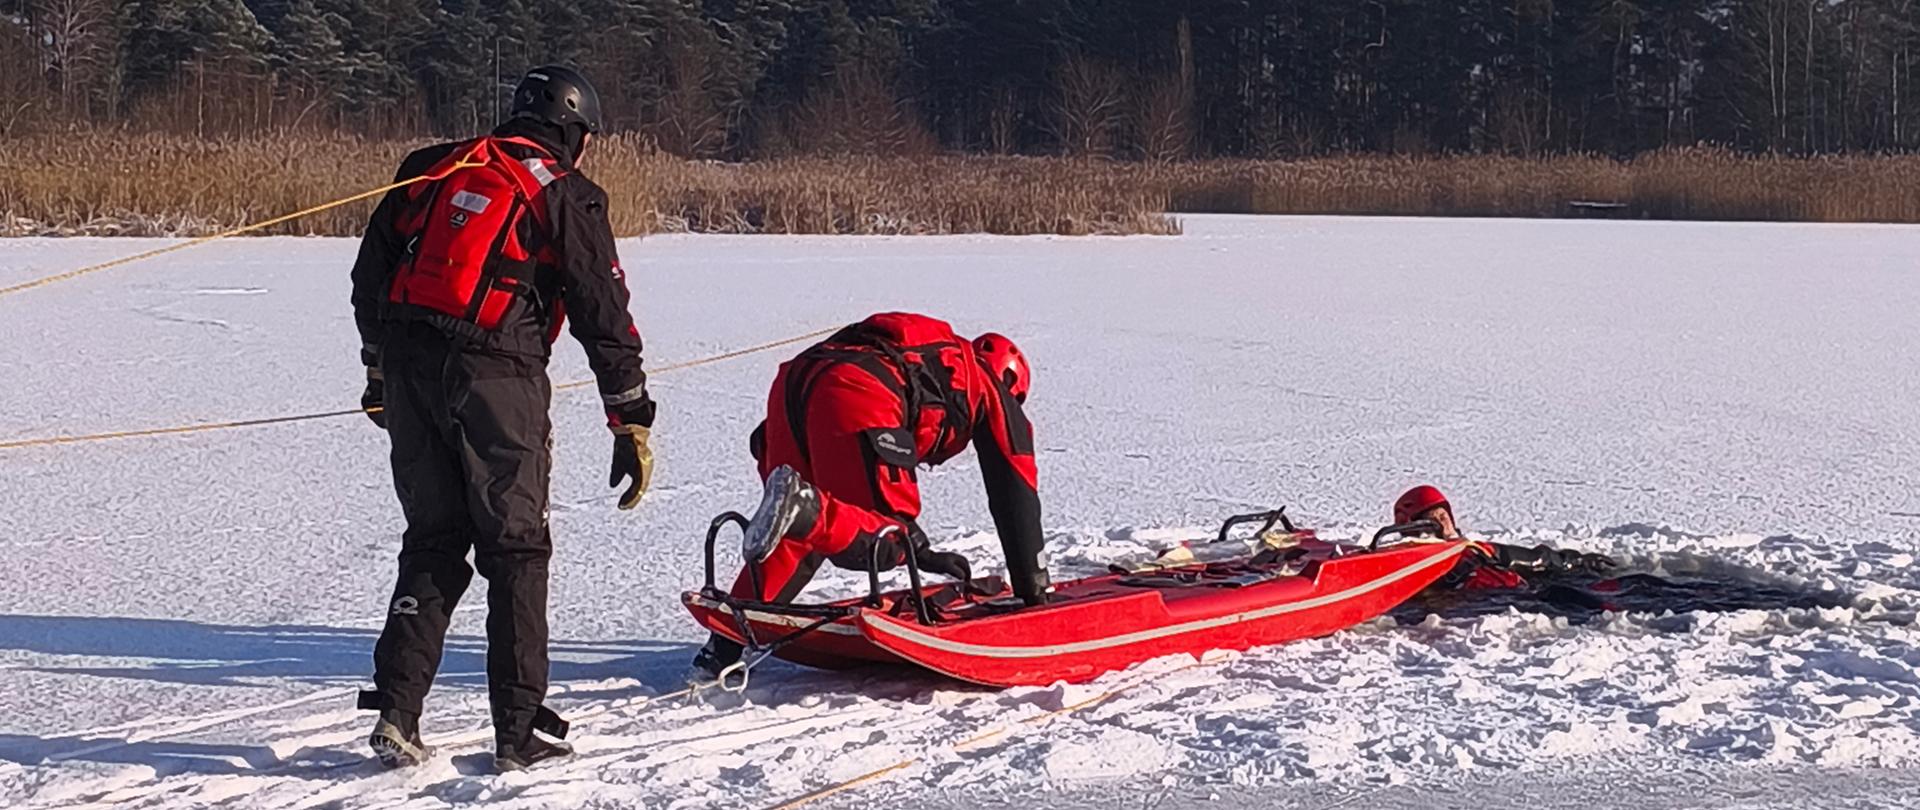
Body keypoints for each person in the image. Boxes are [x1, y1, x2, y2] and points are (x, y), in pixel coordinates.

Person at [348, 65, 656, 772]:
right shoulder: (567, 193)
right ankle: (518, 731)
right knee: (517, 550)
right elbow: (602, 313)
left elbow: (372, 278)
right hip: (499, 376)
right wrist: (630, 416)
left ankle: (398, 712)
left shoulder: (431, 167)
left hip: (409, 364)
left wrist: (378, 371)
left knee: (433, 538)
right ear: (573, 131)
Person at [692, 313, 1048, 675]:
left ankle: (724, 645)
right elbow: (1014, 488)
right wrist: (1034, 590)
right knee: (885, 539)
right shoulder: (988, 385)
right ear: (1009, 382)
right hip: (858, 386)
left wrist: (921, 554)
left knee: (807, 533)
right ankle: (802, 505)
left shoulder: (938, 356)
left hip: (795, 386)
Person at [1391, 485, 1615, 588]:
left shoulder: (1475, 548)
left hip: (1523, 597)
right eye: (1433, 518)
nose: (1443, 522)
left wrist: (1579, 561)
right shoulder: (1408, 565)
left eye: (1443, 514)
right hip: (1490, 607)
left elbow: (1537, 558)